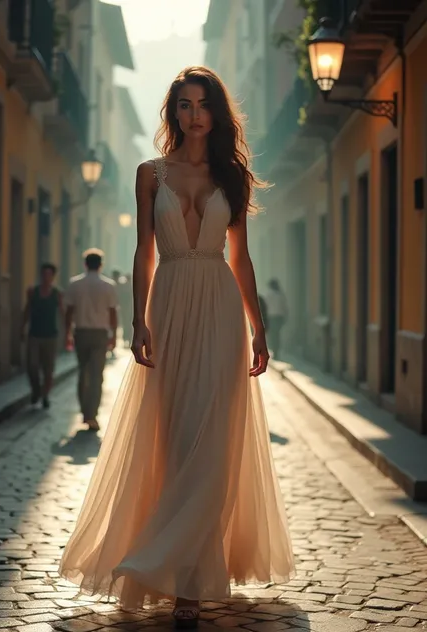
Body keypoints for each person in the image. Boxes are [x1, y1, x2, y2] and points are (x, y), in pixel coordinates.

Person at [59, 67, 294, 627]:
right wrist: (138, 321)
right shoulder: (150, 174)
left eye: (203, 104)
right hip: (168, 309)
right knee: (175, 435)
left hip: (218, 310)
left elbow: (241, 258)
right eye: (184, 104)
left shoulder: (232, 176)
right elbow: (144, 252)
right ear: (174, 113)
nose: (194, 114)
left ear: (216, 113)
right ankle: (166, 559)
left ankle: (186, 581)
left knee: (211, 441)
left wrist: (258, 326)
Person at [65, 249, 118, 431]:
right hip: (100, 334)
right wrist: (114, 337)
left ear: (85, 264)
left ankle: (84, 412)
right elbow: (113, 312)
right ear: (101, 264)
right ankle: (92, 414)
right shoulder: (108, 285)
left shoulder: (75, 284)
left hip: (81, 332)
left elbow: (69, 312)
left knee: (83, 372)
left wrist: (67, 334)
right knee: (97, 376)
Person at [22, 263, 62, 409]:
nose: (46, 277)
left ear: (53, 277)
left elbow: (62, 313)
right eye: (44, 274)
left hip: (51, 336)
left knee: (48, 370)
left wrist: (67, 334)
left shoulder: (57, 294)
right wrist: (22, 328)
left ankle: (45, 395)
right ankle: (36, 390)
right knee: (32, 366)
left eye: (49, 275)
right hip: (34, 334)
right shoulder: (33, 291)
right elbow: (27, 310)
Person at [266, 278, 288, 361]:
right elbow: (285, 307)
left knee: (273, 335)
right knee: (277, 335)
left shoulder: (268, 294)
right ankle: (276, 352)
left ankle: (274, 351)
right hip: (279, 317)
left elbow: (265, 307)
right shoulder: (281, 294)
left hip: (271, 317)